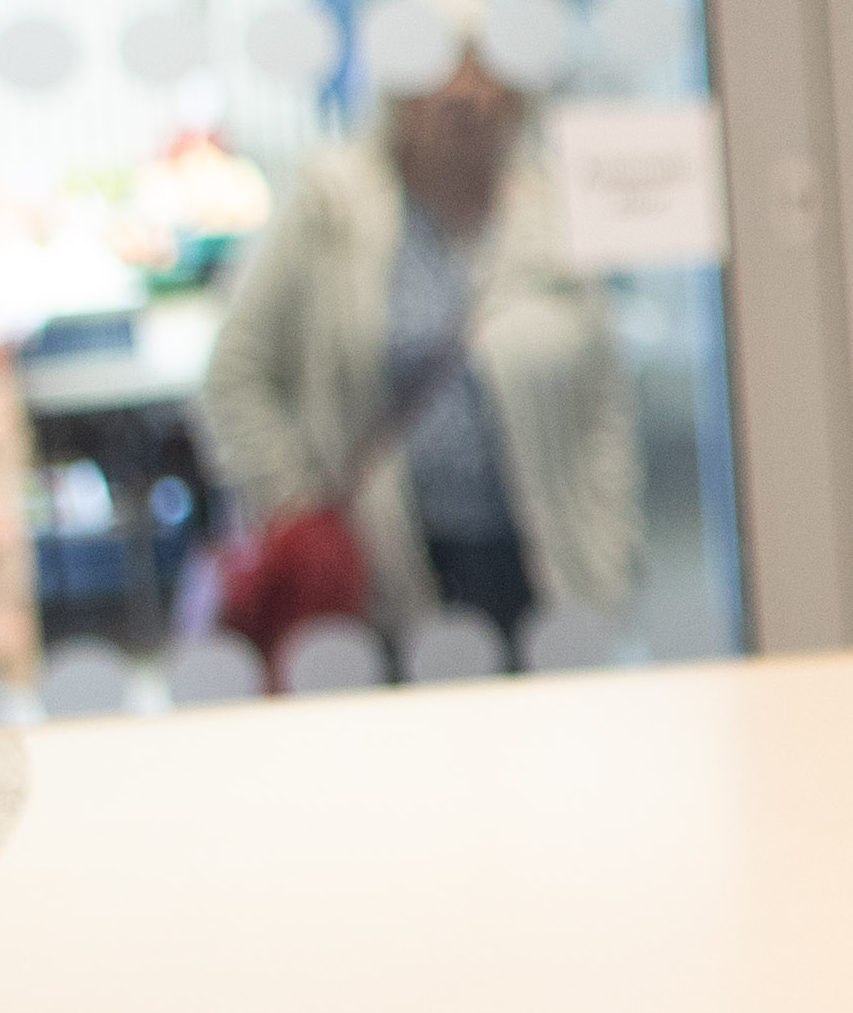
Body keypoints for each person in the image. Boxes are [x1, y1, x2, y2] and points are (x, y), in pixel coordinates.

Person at [196, 41, 639, 647]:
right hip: (381, 568)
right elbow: (235, 375)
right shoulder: (334, 210)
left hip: (537, 560)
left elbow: (602, 396)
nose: (473, 128)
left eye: (493, 108)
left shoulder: (548, 217)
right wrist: (295, 506)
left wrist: (609, 548)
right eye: (455, 108)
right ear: (403, 110)